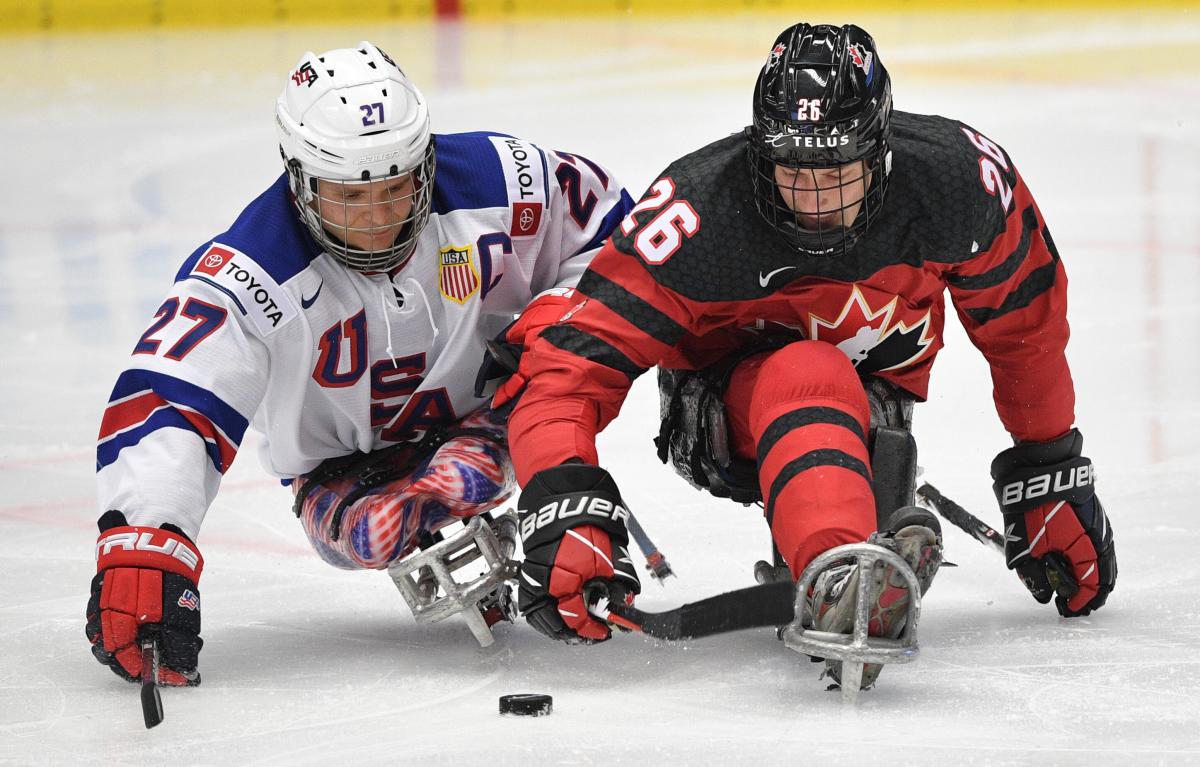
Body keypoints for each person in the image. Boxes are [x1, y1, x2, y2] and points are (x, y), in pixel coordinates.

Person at [495, 23, 1117, 689]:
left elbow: (1026, 324)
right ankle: (838, 576)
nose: (817, 202)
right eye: (794, 172)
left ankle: (848, 528)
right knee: (809, 370)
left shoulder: (959, 182)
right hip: (719, 418)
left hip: (875, 409)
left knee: (854, 414)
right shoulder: (697, 216)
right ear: (760, 153)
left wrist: (1048, 463)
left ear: (881, 151)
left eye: (838, 174)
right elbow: (569, 367)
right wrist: (564, 498)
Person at [86, 41, 633, 687]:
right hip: (342, 476)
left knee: (517, 416)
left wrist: (558, 320)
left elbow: (622, 235)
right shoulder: (251, 271)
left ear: (425, 162)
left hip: (488, 417)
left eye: (398, 188)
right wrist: (145, 544)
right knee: (378, 530)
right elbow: (172, 397)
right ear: (299, 178)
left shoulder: (508, 179)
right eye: (349, 196)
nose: (379, 220)